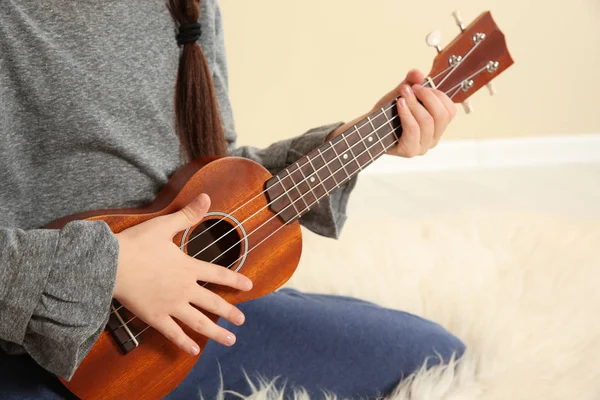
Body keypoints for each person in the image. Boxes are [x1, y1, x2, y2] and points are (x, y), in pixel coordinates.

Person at [0, 0, 464, 399]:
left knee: (437, 357)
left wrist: (362, 137)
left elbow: (214, 174)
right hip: (31, 351)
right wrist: (111, 269)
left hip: (188, 330)